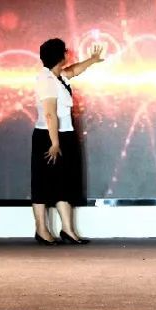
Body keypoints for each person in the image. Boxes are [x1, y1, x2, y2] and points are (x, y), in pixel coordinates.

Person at [32, 38, 104, 246]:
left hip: (64, 135)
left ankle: (68, 230)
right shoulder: (46, 80)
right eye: (64, 51)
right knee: (43, 183)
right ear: (58, 56)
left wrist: (92, 60)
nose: (67, 54)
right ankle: (41, 230)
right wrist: (54, 143)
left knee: (64, 183)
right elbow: (50, 114)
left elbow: (73, 71)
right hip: (48, 136)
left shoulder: (58, 76)